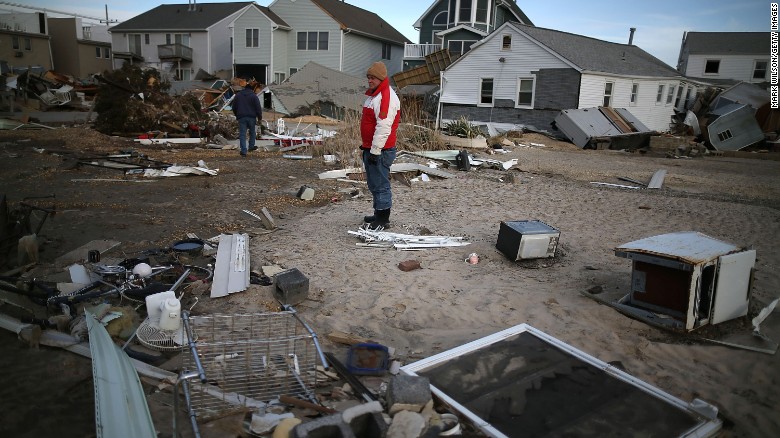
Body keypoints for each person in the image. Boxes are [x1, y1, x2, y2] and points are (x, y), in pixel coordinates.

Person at [361, 61, 401, 229]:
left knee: (380, 184)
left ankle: (383, 219)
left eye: (373, 78)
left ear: (381, 78)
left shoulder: (386, 97)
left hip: (381, 150)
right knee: (374, 183)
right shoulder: (375, 95)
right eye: (369, 77)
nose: (370, 80)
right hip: (371, 147)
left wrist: (375, 151)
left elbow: (384, 127)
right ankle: (379, 213)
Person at [232, 78, 263, 157]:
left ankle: (243, 151)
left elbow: (234, 107)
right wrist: (259, 118)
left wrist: (237, 115)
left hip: (241, 117)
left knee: (242, 134)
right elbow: (258, 108)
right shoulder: (254, 96)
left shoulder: (238, 95)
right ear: (251, 89)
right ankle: (251, 147)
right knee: (252, 132)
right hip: (252, 117)